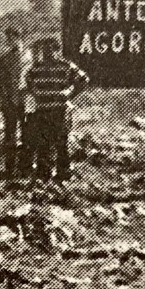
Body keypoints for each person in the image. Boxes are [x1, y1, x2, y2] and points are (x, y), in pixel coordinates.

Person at [24, 37, 89, 183]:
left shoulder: (66, 66)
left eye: (51, 50)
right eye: (45, 50)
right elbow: (27, 81)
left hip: (60, 110)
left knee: (61, 142)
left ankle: (63, 174)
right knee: (43, 144)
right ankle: (43, 175)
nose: (48, 53)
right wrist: (35, 93)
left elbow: (84, 79)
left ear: (57, 51)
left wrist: (70, 93)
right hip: (42, 111)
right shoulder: (36, 68)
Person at [0, 28, 27, 178]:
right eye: (8, 39)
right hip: (11, 102)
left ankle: (25, 167)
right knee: (10, 135)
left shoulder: (29, 57)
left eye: (12, 38)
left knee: (27, 134)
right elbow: (0, 84)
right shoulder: (4, 59)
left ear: (19, 38)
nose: (10, 41)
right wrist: (2, 102)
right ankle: (10, 168)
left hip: (27, 102)